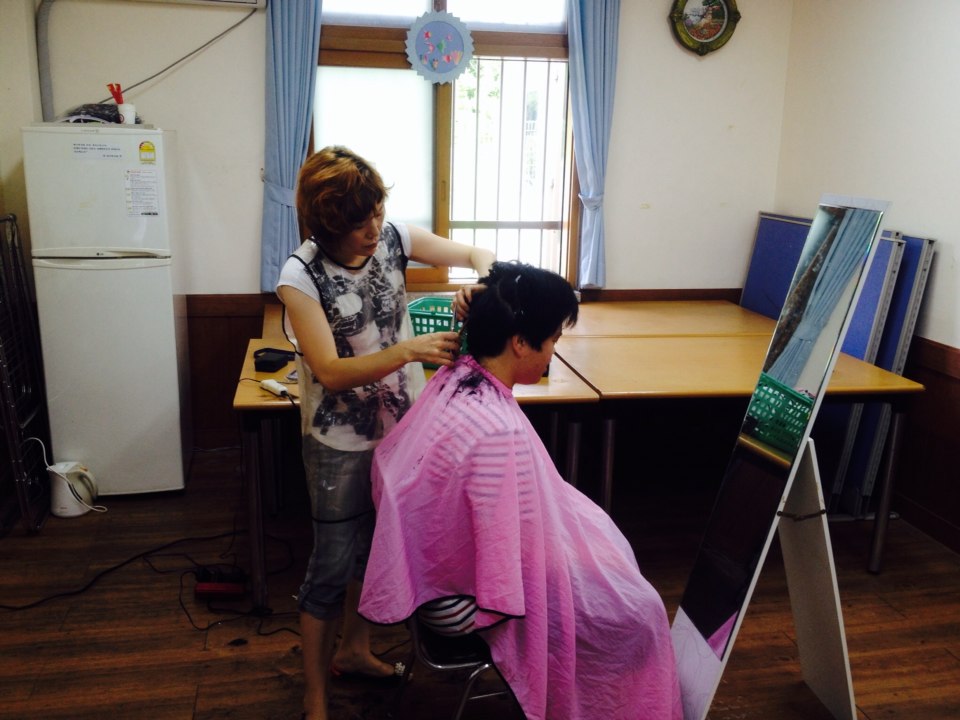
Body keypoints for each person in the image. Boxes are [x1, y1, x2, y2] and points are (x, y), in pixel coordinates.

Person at [359, 262, 683, 720]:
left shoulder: (457, 377)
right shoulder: (496, 432)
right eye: (551, 341)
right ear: (520, 343)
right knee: (638, 613)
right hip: (459, 605)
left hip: (431, 584)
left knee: (605, 561)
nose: (552, 353)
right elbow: (506, 561)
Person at [276, 146, 495, 720]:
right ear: (326, 226)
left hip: (402, 430)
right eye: (358, 223)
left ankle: (354, 650)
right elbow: (330, 371)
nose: (374, 230)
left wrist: (483, 279)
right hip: (338, 442)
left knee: (376, 549)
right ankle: (315, 697)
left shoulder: (393, 236)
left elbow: (473, 252)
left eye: (377, 213)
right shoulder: (300, 276)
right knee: (330, 565)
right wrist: (409, 350)